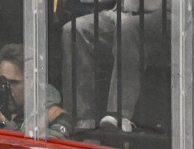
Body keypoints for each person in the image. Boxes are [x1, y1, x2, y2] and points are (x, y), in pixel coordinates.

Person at [61, 0, 164, 134]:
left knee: (127, 28)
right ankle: (81, 119)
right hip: (121, 12)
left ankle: (119, 115)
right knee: (73, 30)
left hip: (162, 15)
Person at [0, 43, 74, 139]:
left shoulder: (55, 117)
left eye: (14, 83)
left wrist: (3, 122)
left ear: (33, 83)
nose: (6, 88)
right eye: (2, 82)